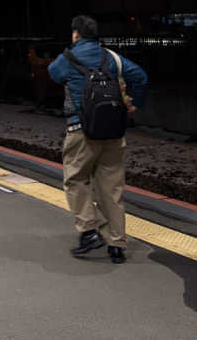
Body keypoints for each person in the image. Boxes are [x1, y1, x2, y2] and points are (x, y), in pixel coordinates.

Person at [48, 15, 147, 263]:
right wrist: (134, 104)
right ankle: (116, 245)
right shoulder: (111, 58)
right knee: (111, 189)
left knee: (76, 180)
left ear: (75, 34)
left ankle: (89, 230)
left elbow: (52, 73)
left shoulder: (68, 58)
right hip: (113, 131)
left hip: (81, 131)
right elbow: (140, 77)